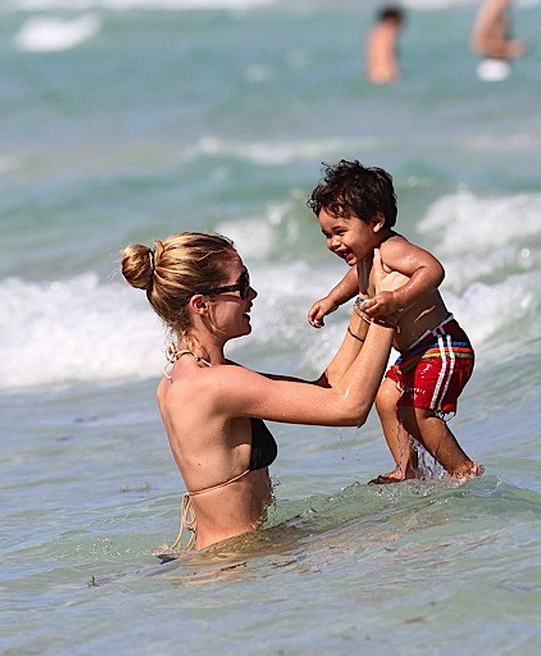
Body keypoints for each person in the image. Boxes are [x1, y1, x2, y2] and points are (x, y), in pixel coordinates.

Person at [121, 232, 401, 551]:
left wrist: (366, 307)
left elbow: (325, 391)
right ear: (201, 305)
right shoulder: (217, 385)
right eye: (241, 285)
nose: (252, 294)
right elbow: (349, 409)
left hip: (219, 560)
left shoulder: (182, 379)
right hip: (236, 566)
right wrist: (389, 311)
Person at [306, 160, 482, 484]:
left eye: (340, 232)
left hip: (440, 345)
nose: (333, 242)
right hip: (414, 353)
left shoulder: (392, 248)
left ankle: (463, 469)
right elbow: (353, 279)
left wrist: (397, 298)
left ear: (376, 221)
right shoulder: (366, 258)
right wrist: (331, 300)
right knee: (386, 398)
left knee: (417, 412)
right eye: (327, 235)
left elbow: (432, 269)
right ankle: (408, 468)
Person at [469, 0, 528, 80]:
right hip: (494, 68)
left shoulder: (503, 7)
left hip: (500, 65)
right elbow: (477, 43)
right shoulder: (492, 7)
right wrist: (509, 49)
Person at [365, 5, 405, 83]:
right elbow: (386, 56)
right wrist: (395, 75)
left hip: (371, 76)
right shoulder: (388, 33)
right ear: (392, 20)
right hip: (385, 76)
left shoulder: (375, 33)